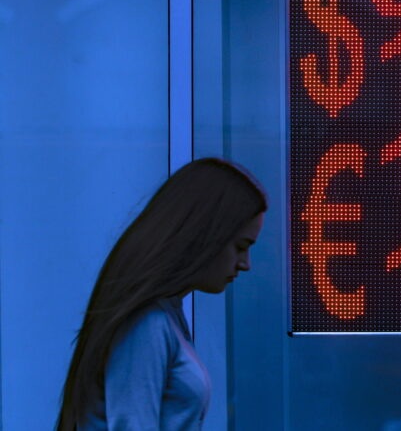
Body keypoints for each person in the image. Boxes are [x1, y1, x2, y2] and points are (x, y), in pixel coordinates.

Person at [55, 158, 268, 430]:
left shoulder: (164, 317)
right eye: (240, 246)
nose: (245, 264)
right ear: (207, 234)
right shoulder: (147, 324)